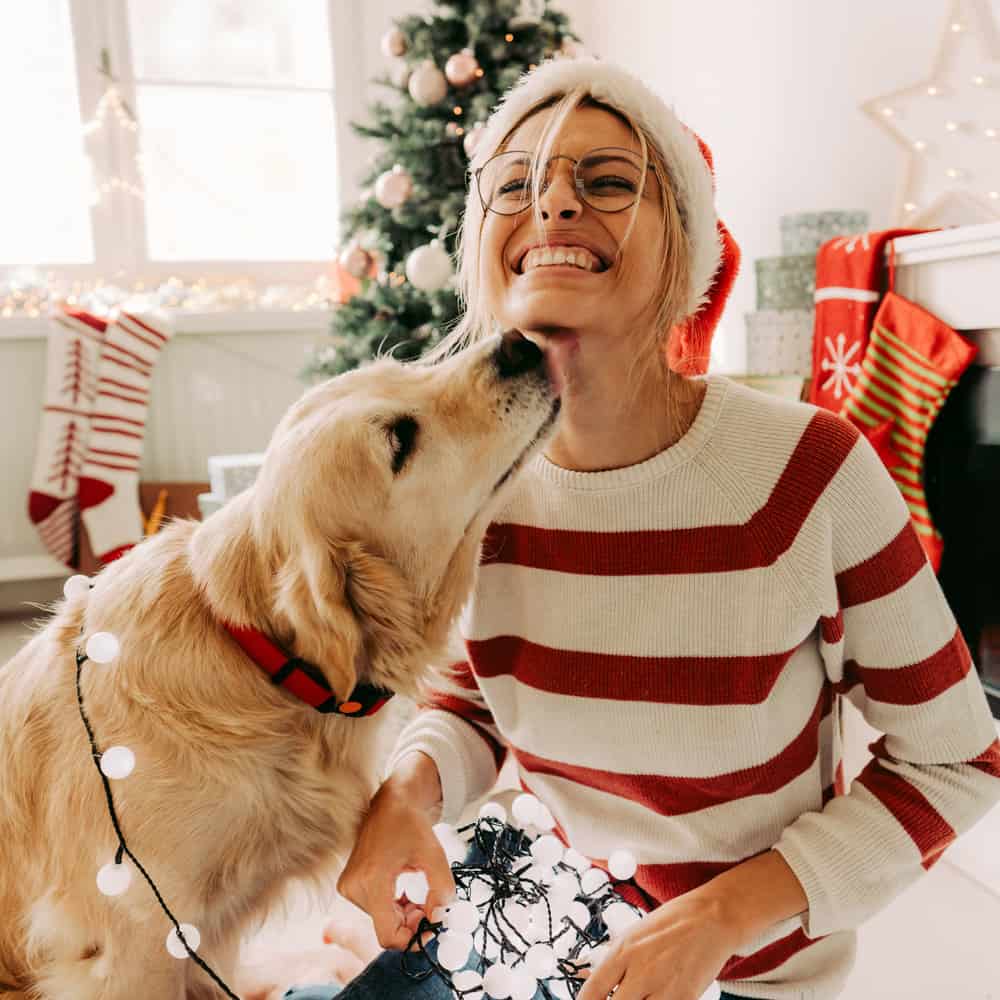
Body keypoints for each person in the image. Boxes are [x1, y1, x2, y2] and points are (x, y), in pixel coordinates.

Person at [281, 57, 1000, 1000]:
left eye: (609, 181)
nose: (554, 204)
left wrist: (723, 915)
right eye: (514, 186)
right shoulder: (473, 484)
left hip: (749, 979)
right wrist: (408, 791)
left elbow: (958, 757)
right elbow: (474, 697)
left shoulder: (810, 472)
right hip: (527, 927)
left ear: (685, 248)